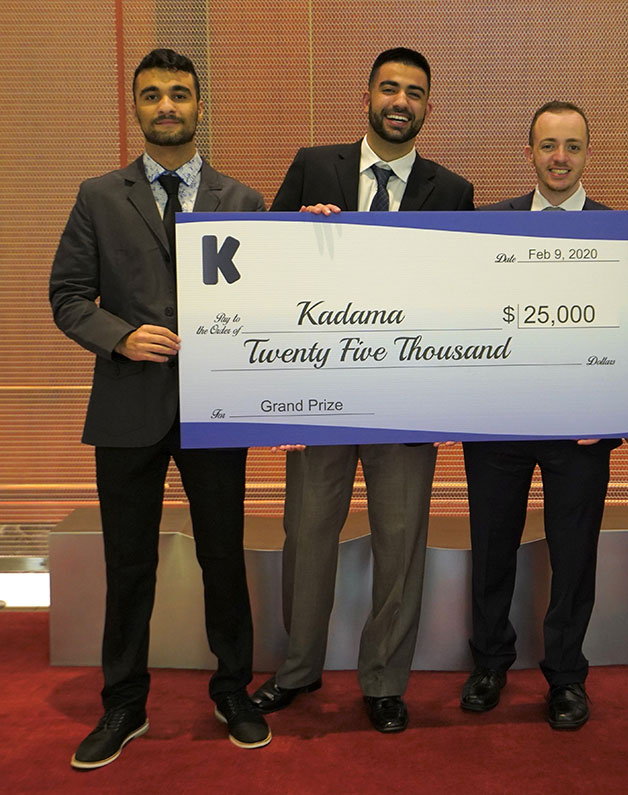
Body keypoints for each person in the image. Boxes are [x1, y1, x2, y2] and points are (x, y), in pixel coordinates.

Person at [49, 48, 269, 769]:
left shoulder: (242, 200)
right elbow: (68, 297)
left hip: (217, 408)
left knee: (222, 556)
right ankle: (124, 703)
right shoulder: (96, 196)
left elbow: (269, 303)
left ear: (200, 107)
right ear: (136, 108)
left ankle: (233, 688)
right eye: (152, 96)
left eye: (179, 94)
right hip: (127, 406)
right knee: (129, 561)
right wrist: (121, 335)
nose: (166, 106)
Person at [250, 48, 474, 733]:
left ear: (428, 107)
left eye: (413, 92)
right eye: (389, 88)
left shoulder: (453, 190)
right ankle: (296, 668)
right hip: (319, 392)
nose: (399, 100)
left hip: (408, 400)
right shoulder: (314, 165)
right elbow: (266, 270)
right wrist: (298, 235)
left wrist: (455, 400)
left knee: (400, 542)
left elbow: (462, 299)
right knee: (306, 533)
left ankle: (383, 679)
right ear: (368, 96)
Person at [460, 102, 619, 729]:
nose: (560, 158)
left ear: (587, 154)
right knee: (491, 548)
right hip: (497, 424)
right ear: (528, 152)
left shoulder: (618, 231)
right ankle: (490, 664)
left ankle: (566, 677)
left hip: (581, 428)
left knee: (574, 556)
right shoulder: (484, 225)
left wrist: (618, 406)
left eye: (573, 146)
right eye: (548, 145)